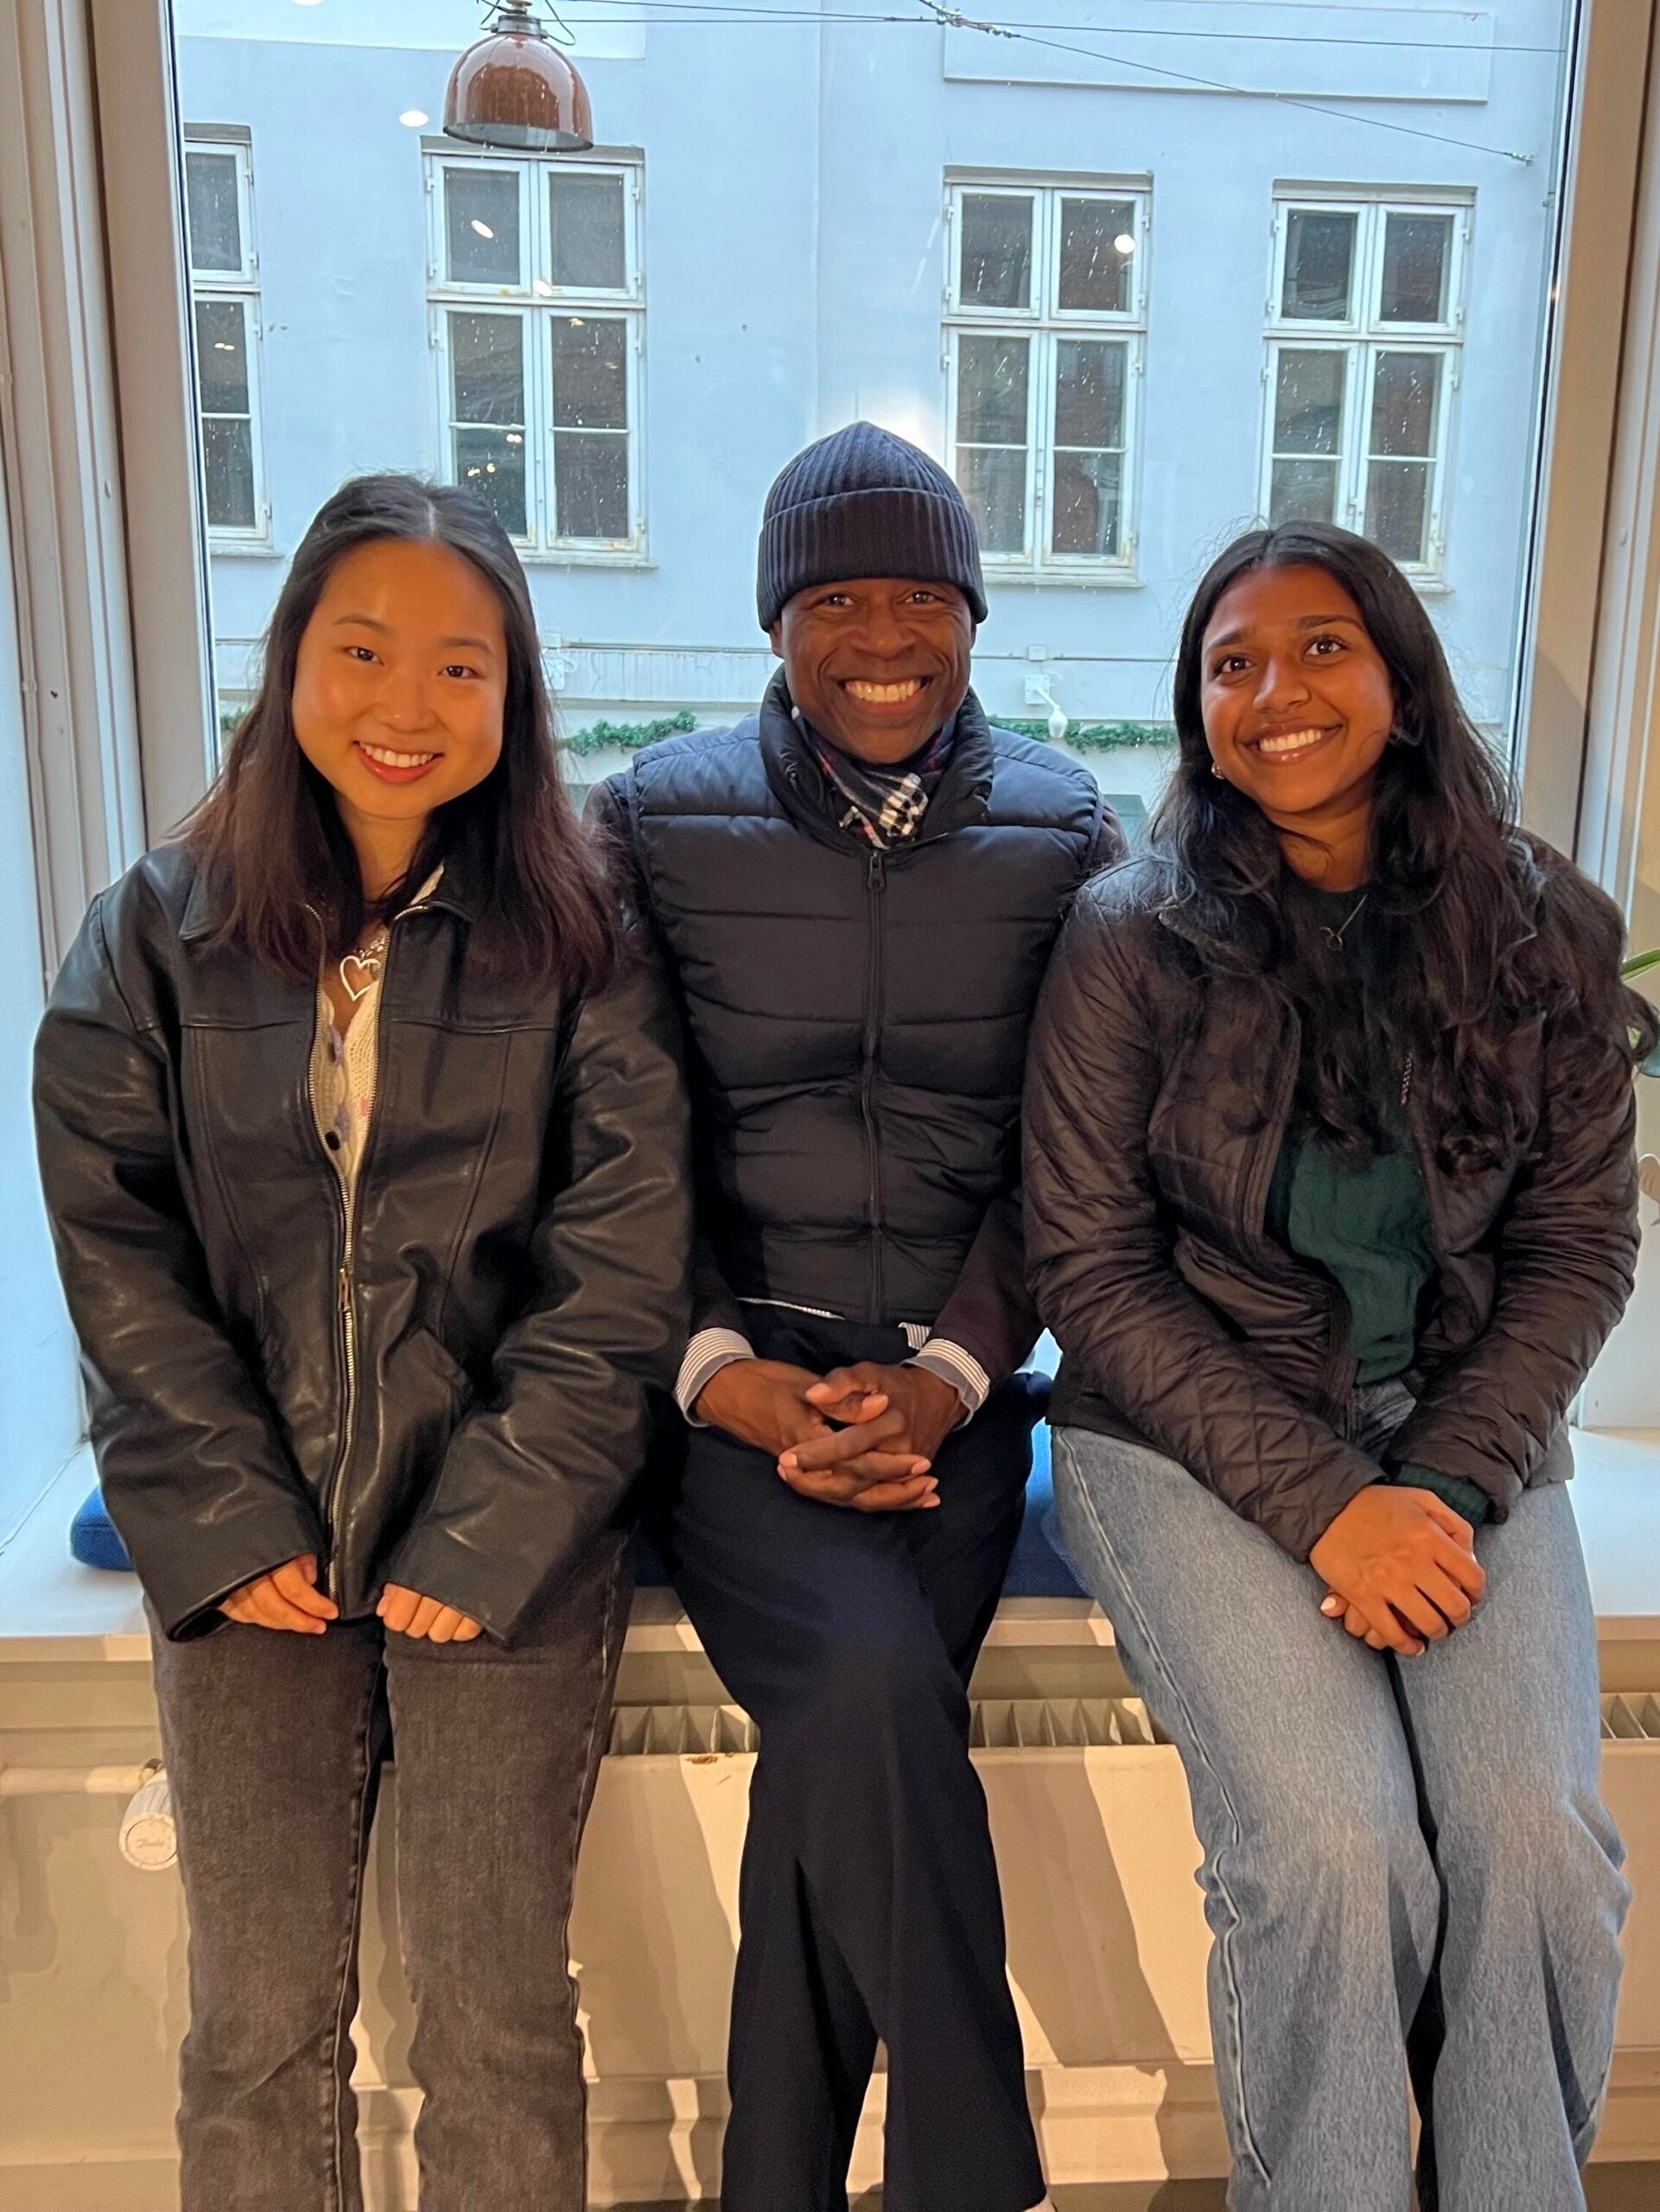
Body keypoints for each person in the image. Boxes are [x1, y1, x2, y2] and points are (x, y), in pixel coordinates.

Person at [33, 474, 690, 2212]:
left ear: (514, 695)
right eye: (365, 649)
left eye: (460, 667)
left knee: (491, 2017)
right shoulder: (149, 928)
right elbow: (115, 1244)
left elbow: (619, 1268)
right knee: (255, 2023)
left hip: (508, 1546)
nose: (407, 707)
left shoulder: (584, 940)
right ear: (292, 657)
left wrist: (483, 1534)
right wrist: (227, 1515)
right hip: (243, 1545)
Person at [1024, 518, 1655, 2212]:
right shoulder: (1126, 937)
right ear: (1194, 708)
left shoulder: (1544, 930)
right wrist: (1329, 1508)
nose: (1271, 691)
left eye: (1315, 648)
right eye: (1230, 663)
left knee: (1531, 1847)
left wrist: (1434, 1487)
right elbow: (1090, 1266)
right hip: (1183, 1439)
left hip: (1457, 1434)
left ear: (1396, 679)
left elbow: (1580, 1244)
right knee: (1332, 1846)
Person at [590, 421, 1122, 2212]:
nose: (879, 632)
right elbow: (610, 1134)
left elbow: (1077, 1156)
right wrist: (728, 1377)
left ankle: (780, 2185)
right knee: (880, 1680)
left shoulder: (1064, 832)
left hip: (954, 1403)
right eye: (835, 596)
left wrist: (955, 1375)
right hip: (729, 1397)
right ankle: (974, 2173)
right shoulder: (652, 819)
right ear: (775, 623)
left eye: (919, 593)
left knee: (846, 1735)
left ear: (971, 617)